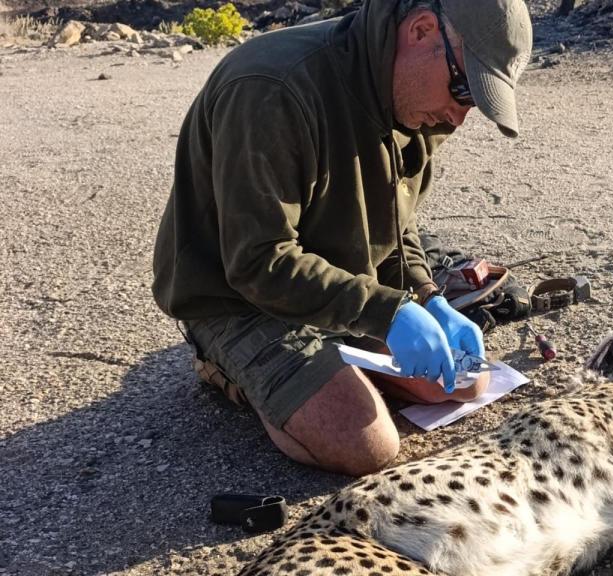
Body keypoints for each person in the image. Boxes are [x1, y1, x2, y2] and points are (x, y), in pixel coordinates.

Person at [151, 0, 533, 476]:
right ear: (420, 31)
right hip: (237, 296)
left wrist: (426, 295)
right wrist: (386, 313)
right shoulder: (273, 90)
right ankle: (228, 367)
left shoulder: (420, 103)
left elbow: (399, 224)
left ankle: (335, 360)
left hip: (335, 282)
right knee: (367, 446)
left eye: (475, 100)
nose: (458, 118)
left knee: (462, 383)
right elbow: (256, 262)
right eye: (463, 90)